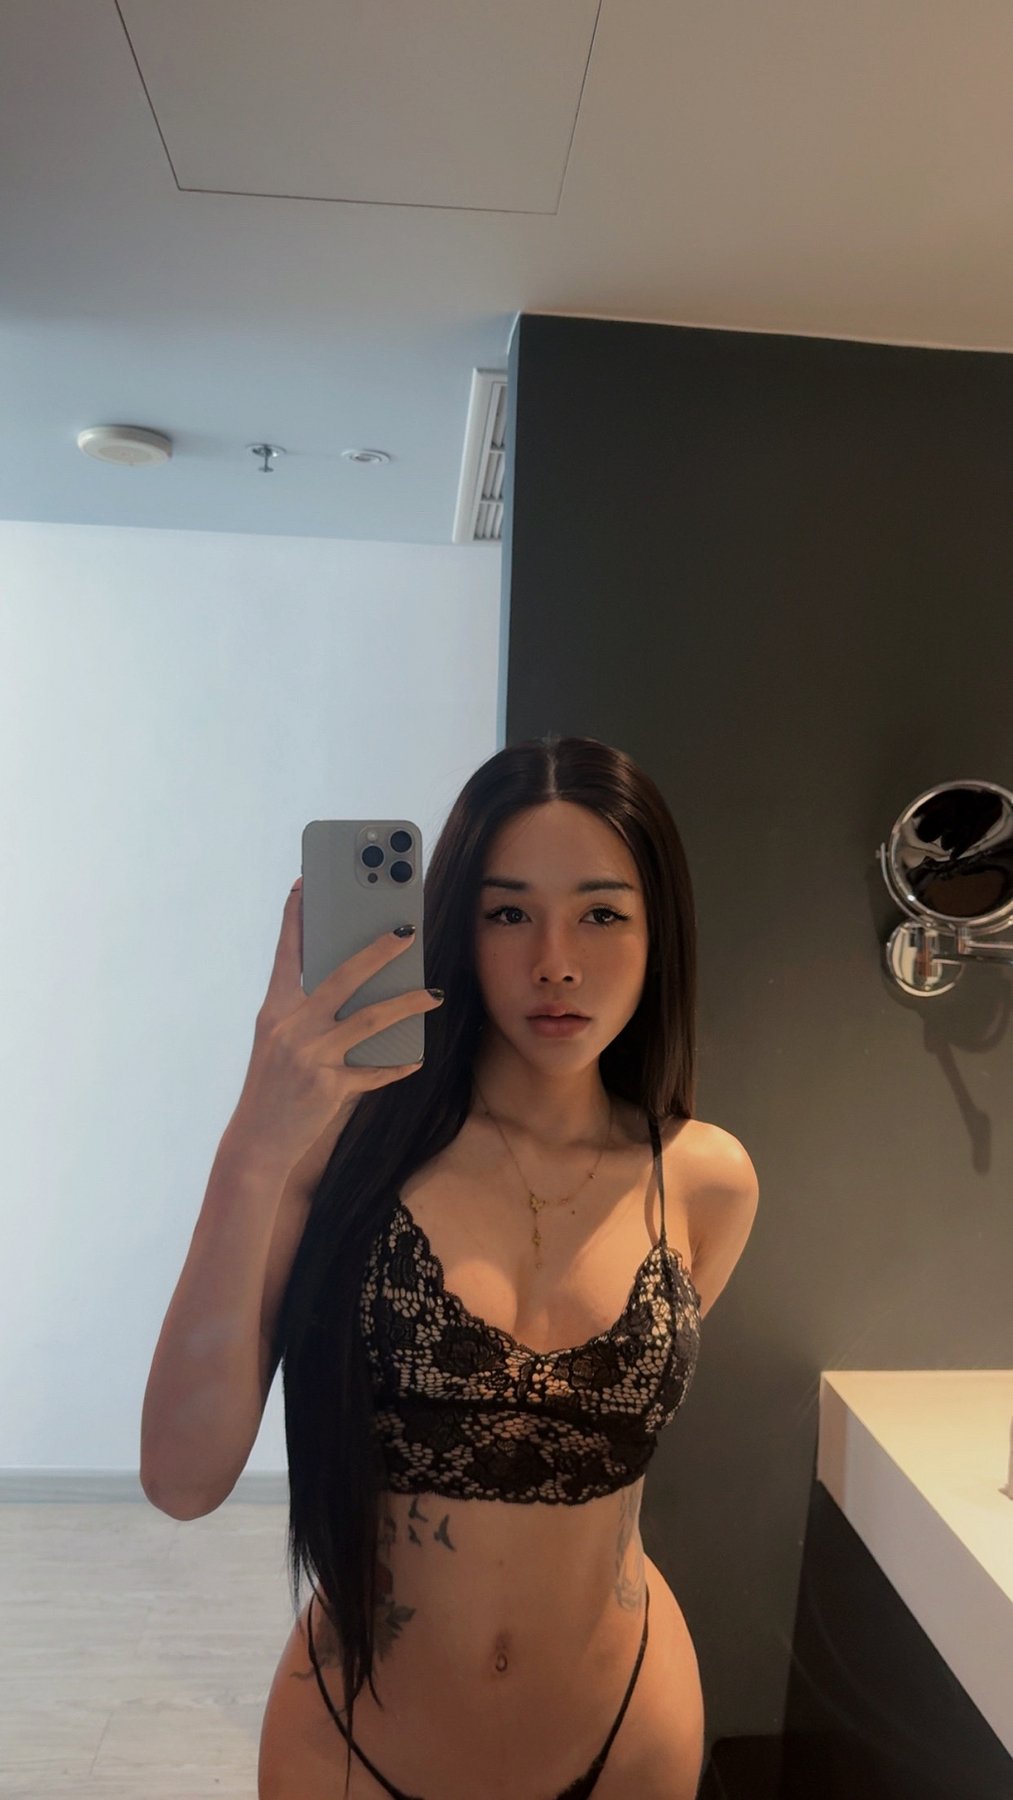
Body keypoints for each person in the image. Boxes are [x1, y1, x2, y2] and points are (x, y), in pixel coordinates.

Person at [141, 735, 759, 1800]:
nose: (554, 961)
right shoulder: (340, 1159)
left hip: (628, 1732)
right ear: (455, 931)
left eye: (601, 914)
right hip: (356, 1744)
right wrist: (254, 1144)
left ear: (658, 931)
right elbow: (182, 1481)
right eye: (507, 913)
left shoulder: (704, 1180)